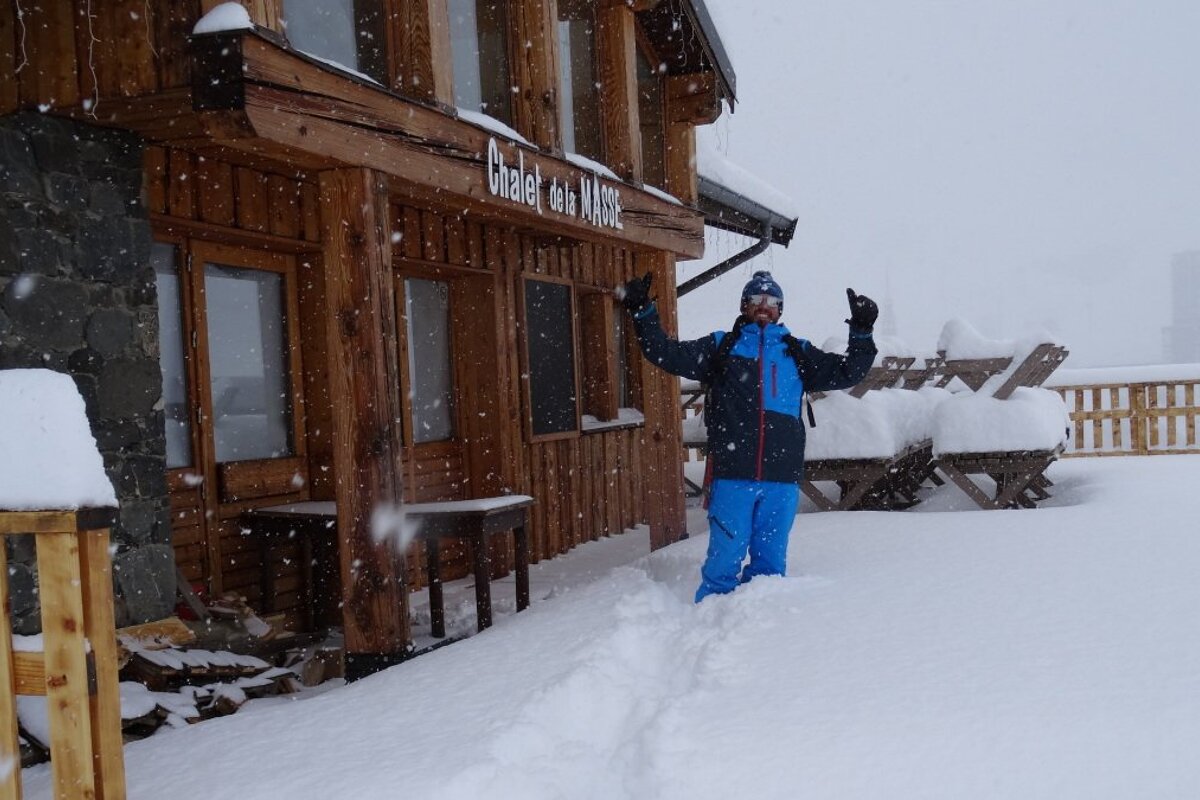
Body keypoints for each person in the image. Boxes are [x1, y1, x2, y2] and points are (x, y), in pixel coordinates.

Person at [620, 269, 878, 602]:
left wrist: (862, 331)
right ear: (744, 305)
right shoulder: (721, 347)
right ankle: (709, 617)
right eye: (756, 299)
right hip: (733, 473)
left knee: (770, 567)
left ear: (780, 309)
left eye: (772, 301)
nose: (764, 306)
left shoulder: (797, 352)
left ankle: (759, 635)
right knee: (724, 558)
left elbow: (848, 372)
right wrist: (643, 311)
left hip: (781, 477)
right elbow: (664, 353)